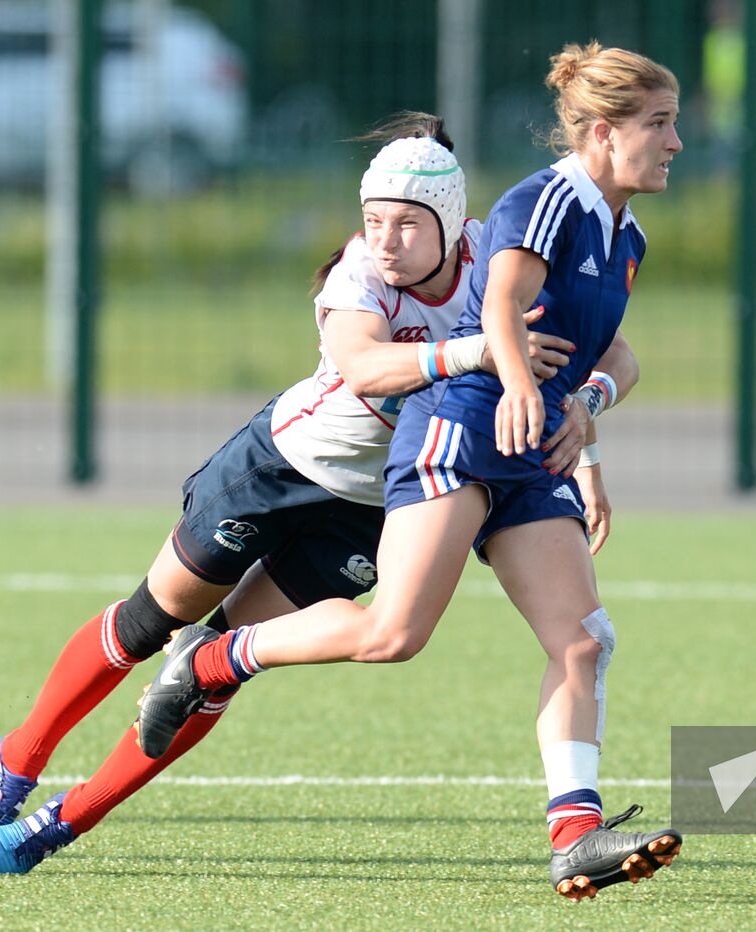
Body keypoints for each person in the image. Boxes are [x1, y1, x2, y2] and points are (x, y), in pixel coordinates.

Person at [0, 114, 638, 873]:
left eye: (407, 225)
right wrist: (482, 348)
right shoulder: (358, 275)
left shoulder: (496, 258)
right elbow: (367, 369)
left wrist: (589, 416)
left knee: (210, 664)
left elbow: (597, 345)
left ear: (452, 225)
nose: (385, 241)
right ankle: (17, 760)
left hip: (380, 504)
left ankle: (58, 824)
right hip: (282, 469)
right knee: (154, 620)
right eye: (373, 220)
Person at [135, 41, 684, 901]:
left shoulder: (627, 233)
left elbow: (602, 352)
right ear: (605, 133)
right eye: (659, 123)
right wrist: (512, 381)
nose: (675, 142)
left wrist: (589, 420)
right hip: (461, 429)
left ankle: (575, 836)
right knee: (393, 634)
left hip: (529, 446)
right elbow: (501, 306)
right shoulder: (547, 202)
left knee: (584, 642)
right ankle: (216, 657)